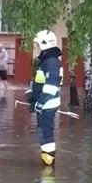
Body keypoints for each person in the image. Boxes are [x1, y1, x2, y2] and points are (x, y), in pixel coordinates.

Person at [27, 30, 63, 166]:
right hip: (45, 103)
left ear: (44, 44)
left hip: (47, 104)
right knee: (43, 130)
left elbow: (51, 87)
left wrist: (40, 103)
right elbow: (41, 82)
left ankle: (48, 162)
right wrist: (33, 95)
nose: (35, 48)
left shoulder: (51, 63)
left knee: (46, 132)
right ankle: (47, 159)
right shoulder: (47, 62)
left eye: (37, 45)